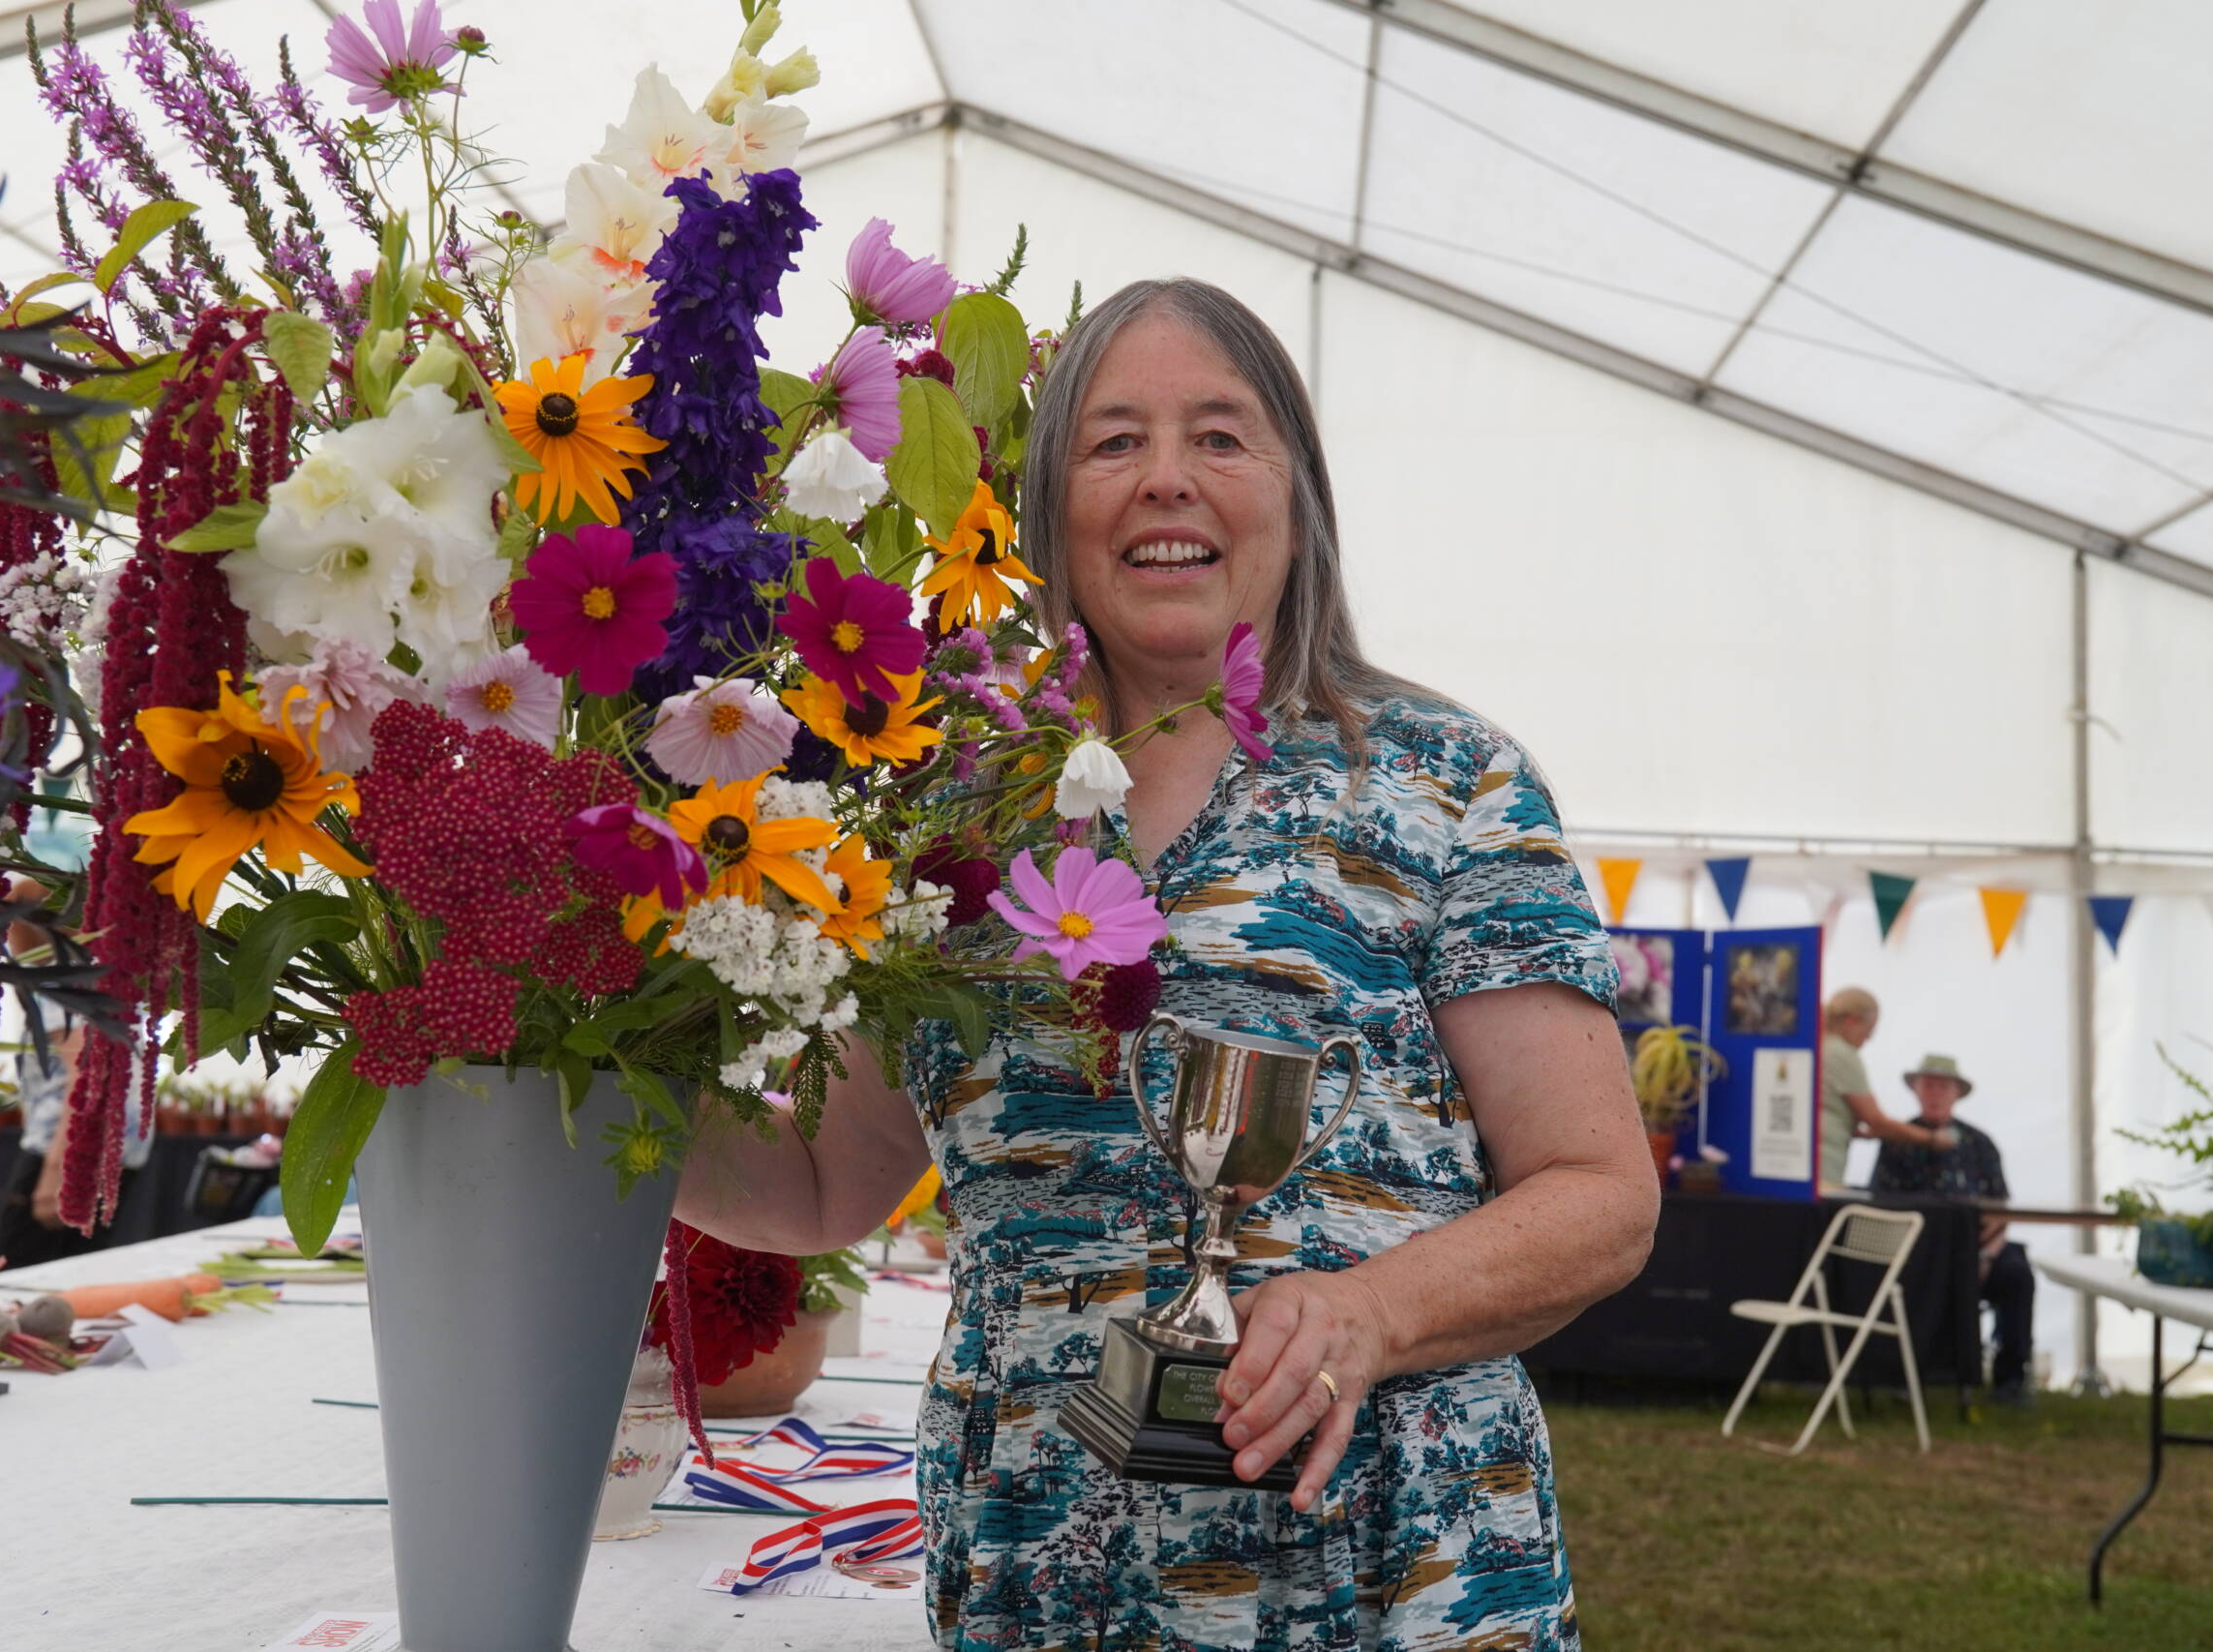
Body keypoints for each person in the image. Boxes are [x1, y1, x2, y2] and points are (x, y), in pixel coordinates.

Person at [676, 278, 1660, 1650]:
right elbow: (821, 1180)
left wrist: (1370, 1309)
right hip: (1041, 1568)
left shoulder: (1449, 783)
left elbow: (1602, 1193)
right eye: (1113, 440)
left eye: (1219, 435)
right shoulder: (944, 813)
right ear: (1045, 509)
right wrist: (581, 1076)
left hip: (1393, 1569)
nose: (1166, 481)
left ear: (1296, 492)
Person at [0, 880, 150, 1266]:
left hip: (70, 1147)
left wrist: (56, 1171)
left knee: (17, 1270)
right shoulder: (105, 977)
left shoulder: (62, 985)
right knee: (76, 1266)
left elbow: (87, 1077)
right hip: (110, 1148)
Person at [1869, 1053, 2036, 1406]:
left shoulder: (1979, 1144)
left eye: (1942, 1086)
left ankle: (2011, 1380)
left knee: (2017, 1274)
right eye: (1928, 1085)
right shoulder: (1898, 1139)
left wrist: (1985, 1254)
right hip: (1913, 1253)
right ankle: (1900, 1374)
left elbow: (2000, 1208)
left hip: (1975, 1249)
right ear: (1916, 1089)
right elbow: (1881, 1204)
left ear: (1957, 1092)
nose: (1935, 1093)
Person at [1818, 985, 1952, 1189]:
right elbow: (1876, 1120)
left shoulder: (1820, 1047)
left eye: (1943, 1087)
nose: (1868, 1039)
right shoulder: (1841, 1054)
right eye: (1869, 1030)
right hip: (1824, 1169)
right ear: (1851, 1021)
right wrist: (1932, 1139)